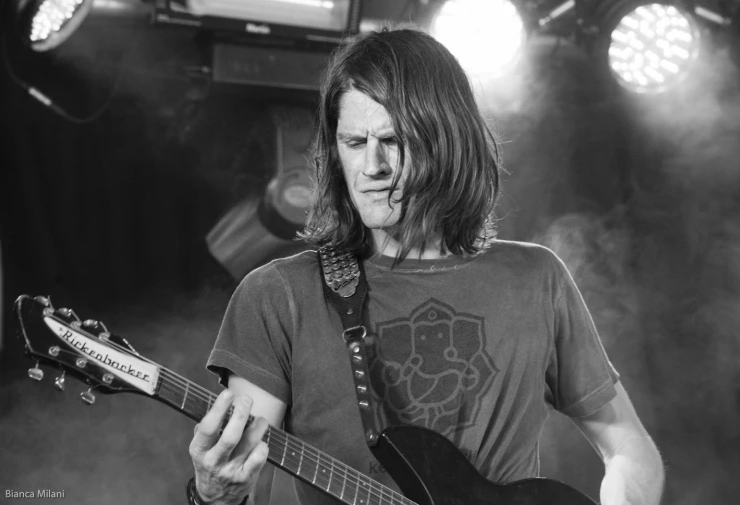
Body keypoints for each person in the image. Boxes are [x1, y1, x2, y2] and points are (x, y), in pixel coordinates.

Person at [188, 27, 665, 505]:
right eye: (354, 142)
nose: (371, 166)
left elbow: (629, 448)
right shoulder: (280, 295)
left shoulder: (536, 279)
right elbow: (245, 472)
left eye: (392, 141)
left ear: (448, 141)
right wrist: (215, 495)